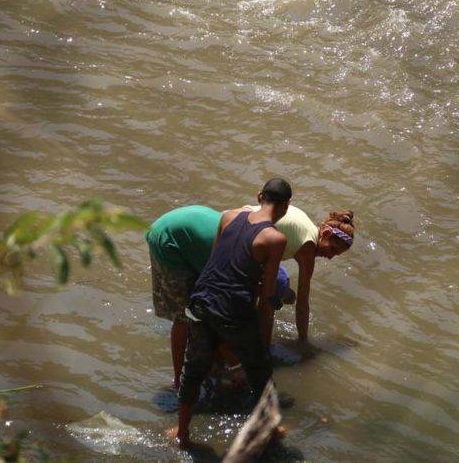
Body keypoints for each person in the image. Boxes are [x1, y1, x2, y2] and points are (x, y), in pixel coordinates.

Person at [175, 179, 290, 447]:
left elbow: (214, 261)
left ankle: (181, 433)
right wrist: (261, 335)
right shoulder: (275, 238)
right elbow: (267, 293)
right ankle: (271, 430)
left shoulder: (228, 216)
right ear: (286, 206)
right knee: (261, 372)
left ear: (259, 196)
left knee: (193, 371)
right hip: (233, 310)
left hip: (202, 302)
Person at [146, 203, 294, 389]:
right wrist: (237, 364)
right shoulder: (239, 270)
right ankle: (179, 381)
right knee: (184, 316)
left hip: (188, 230)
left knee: (208, 311)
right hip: (170, 239)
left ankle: (210, 366)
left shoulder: (253, 251)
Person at [242, 204, 356, 345]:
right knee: (278, 288)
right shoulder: (308, 245)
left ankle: (251, 322)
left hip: (240, 225)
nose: (330, 256)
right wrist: (303, 342)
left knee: (287, 293)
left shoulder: (306, 224)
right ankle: (261, 345)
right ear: (325, 234)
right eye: (332, 249)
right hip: (243, 244)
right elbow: (303, 303)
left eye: (336, 254)